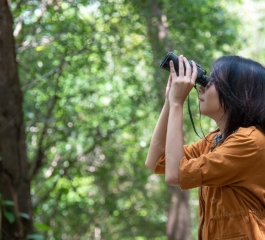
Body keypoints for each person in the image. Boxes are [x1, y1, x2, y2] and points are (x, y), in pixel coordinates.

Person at [145, 55, 265, 239]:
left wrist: (178, 103)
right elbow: (156, 160)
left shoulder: (250, 141)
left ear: (238, 93)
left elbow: (174, 174)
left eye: (213, 82)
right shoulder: (214, 141)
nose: (202, 86)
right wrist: (170, 101)